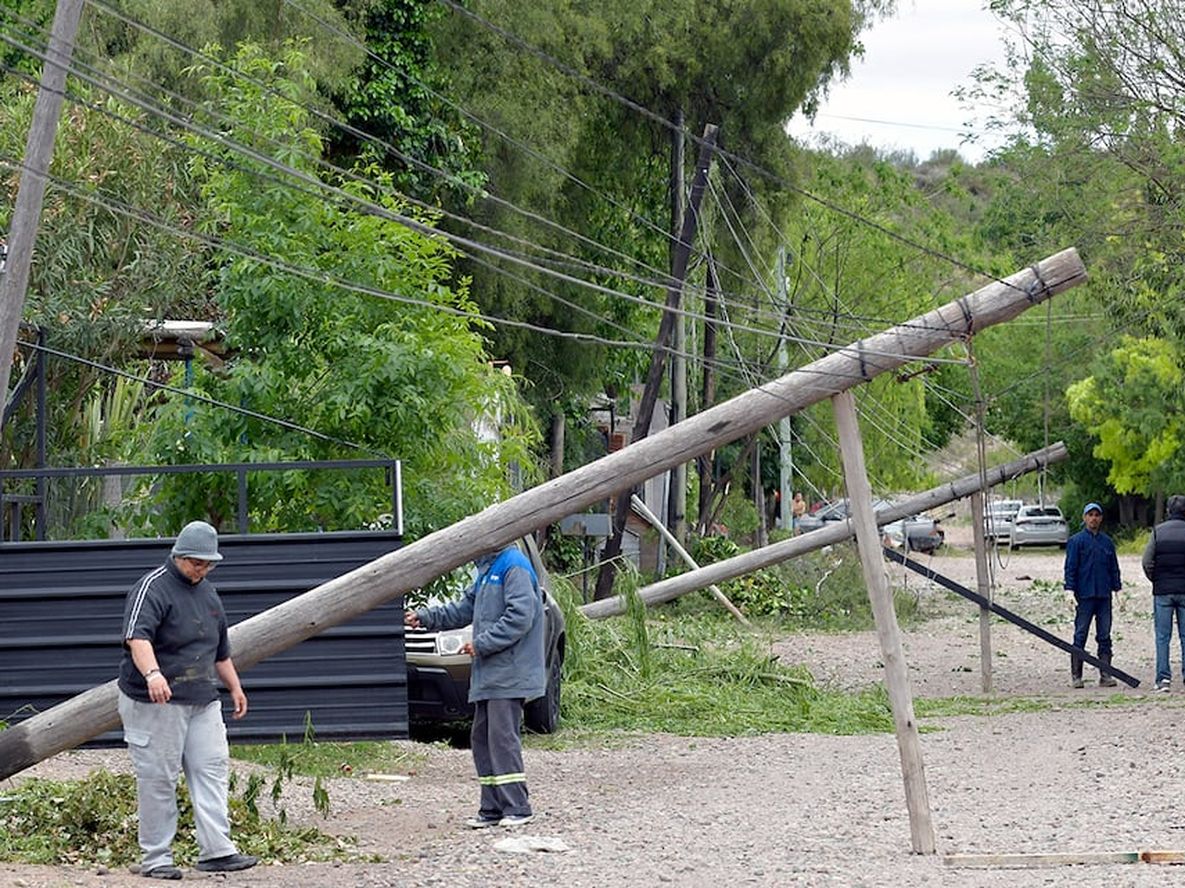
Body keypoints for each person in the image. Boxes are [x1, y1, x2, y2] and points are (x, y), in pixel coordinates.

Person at [117, 521, 258, 880]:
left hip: (202, 699)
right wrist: (153, 675)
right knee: (158, 778)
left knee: (211, 769)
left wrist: (235, 688)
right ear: (179, 555)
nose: (202, 570)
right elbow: (137, 638)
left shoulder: (209, 593)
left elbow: (219, 649)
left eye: (208, 564)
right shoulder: (152, 588)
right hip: (156, 702)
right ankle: (157, 858)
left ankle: (217, 850)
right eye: (196, 563)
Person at [405, 543, 545, 829]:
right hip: (491, 674)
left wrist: (482, 644)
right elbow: (464, 609)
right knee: (482, 739)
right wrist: (426, 618)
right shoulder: (487, 568)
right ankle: (492, 808)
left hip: (509, 672)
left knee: (502, 740)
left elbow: (521, 616)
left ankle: (518, 807)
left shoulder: (512, 565)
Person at [1064, 502, 1122, 689]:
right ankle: (1076, 675)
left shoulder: (1107, 542)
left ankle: (1105, 674)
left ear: (1101, 518)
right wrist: (1069, 590)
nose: (1093, 518)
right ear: (1084, 518)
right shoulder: (1076, 541)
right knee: (1080, 634)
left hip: (1104, 595)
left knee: (1104, 635)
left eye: (1097, 515)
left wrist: (1118, 590)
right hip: (1084, 596)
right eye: (1090, 515)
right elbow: (1070, 568)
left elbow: (1114, 568)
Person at [1142, 494, 1185, 692]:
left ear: (1168, 511)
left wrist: (1156, 579)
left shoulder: (1158, 532)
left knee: (1162, 637)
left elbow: (1147, 561)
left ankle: (1163, 679)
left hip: (1163, 591)